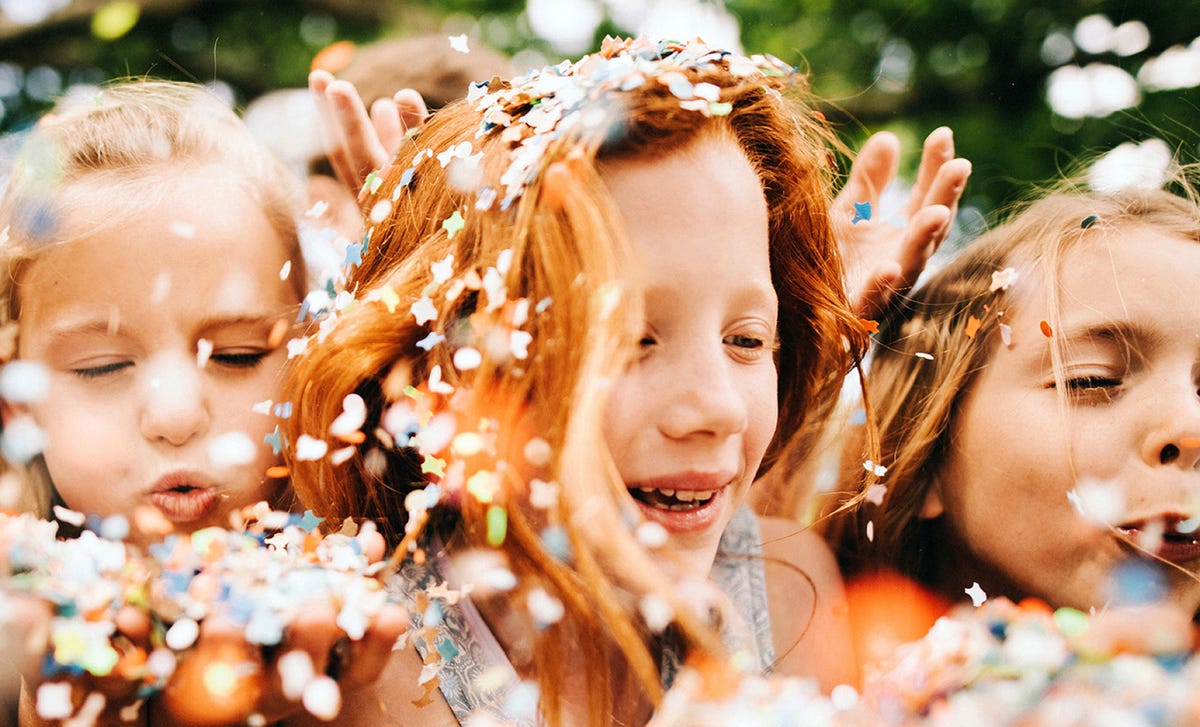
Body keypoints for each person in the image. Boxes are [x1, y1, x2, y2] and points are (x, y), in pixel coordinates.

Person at [281, 36, 968, 726]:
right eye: (630, 338)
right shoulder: (373, 663)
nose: (721, 409)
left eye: (747, 340)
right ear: (457, 366)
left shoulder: (791, 589)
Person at [0, 79, 404, 726]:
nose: (175, 415)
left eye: (237, 354)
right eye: (102, 366)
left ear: (311, 359)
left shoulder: (410, 609)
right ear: (16, 402)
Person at [829, 175, 1200, 633]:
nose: (1190, 426)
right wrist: (806, 360)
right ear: (927, 442)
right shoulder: (802, 663)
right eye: (1090, 378)